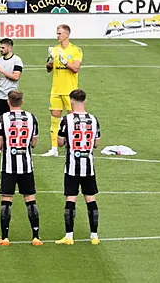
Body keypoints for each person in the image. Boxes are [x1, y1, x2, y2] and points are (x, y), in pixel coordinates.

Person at [0, 90, 42, 246]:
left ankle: (5, 237)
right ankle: (36, 236)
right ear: (22, 101)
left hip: (8, 166)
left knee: (6, 200)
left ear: (8, 102)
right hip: (26, 165)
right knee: (30, 199)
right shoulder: (31, 118)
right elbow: (34, 143)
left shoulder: (2, 119)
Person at [55, 89, 101, 245]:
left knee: (71, 198)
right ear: (85, 101)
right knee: (91, 199)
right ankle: (94, 236)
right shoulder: (94, 119)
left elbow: (60, 142)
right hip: (88, 166)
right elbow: (96, 143)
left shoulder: (66, 120)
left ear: (71, 101)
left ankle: (69, 236)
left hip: (72, 167)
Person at [43, 25, 83, 157]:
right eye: (57, 33)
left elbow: (76, 68)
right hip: (56, 90)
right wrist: (50, 62)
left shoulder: (76, 50)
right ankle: (54, 148)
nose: (57, 36)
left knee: (74, 119)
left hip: (70, 91)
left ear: (67, 35)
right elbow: (49, 69)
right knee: (54, 119)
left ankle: (75, 146)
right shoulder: (54, 50)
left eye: (59, 33)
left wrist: (64, 61)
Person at [0, 38, 24, 155]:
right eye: (0, 47)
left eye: (2, 47)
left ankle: (12, 143)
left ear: (9, 48)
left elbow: (16, 77)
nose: (0, 50)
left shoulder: (17, 60)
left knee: (12, 121)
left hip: (11, 96)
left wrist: (1, 70)